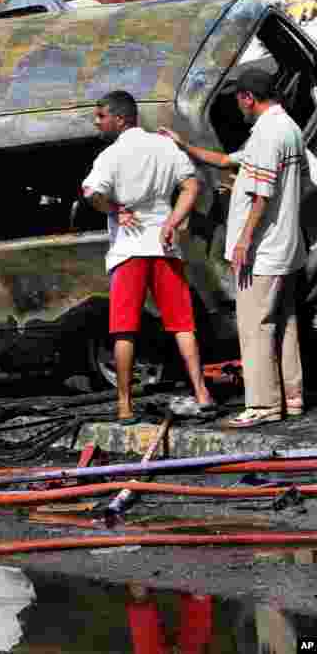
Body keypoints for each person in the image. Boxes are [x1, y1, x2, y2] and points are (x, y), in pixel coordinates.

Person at [161, 69, 307, 427]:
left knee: (255, 327)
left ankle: (263, 406)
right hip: (287, 247)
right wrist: (184, 147)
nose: (239, 107)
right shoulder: (287, 127)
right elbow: (228, 162)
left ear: (247, 97)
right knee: (283, 323)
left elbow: (261, 193)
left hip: (264, 251)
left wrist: (243, 239)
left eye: (238, 100)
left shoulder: (267, 135)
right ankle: (292, 396)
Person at [82, 90, 215, 423]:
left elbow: (91, 193)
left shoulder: (110, 156)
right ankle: (202, 393)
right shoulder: (164, 146)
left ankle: (125, 405)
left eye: (101, 116)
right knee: (182, 324)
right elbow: (191, 186)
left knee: (124, 329)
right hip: (165, 245)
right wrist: (173, 220)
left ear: (120, 118)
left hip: (129, 250)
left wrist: (115, 209)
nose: (97, 122)